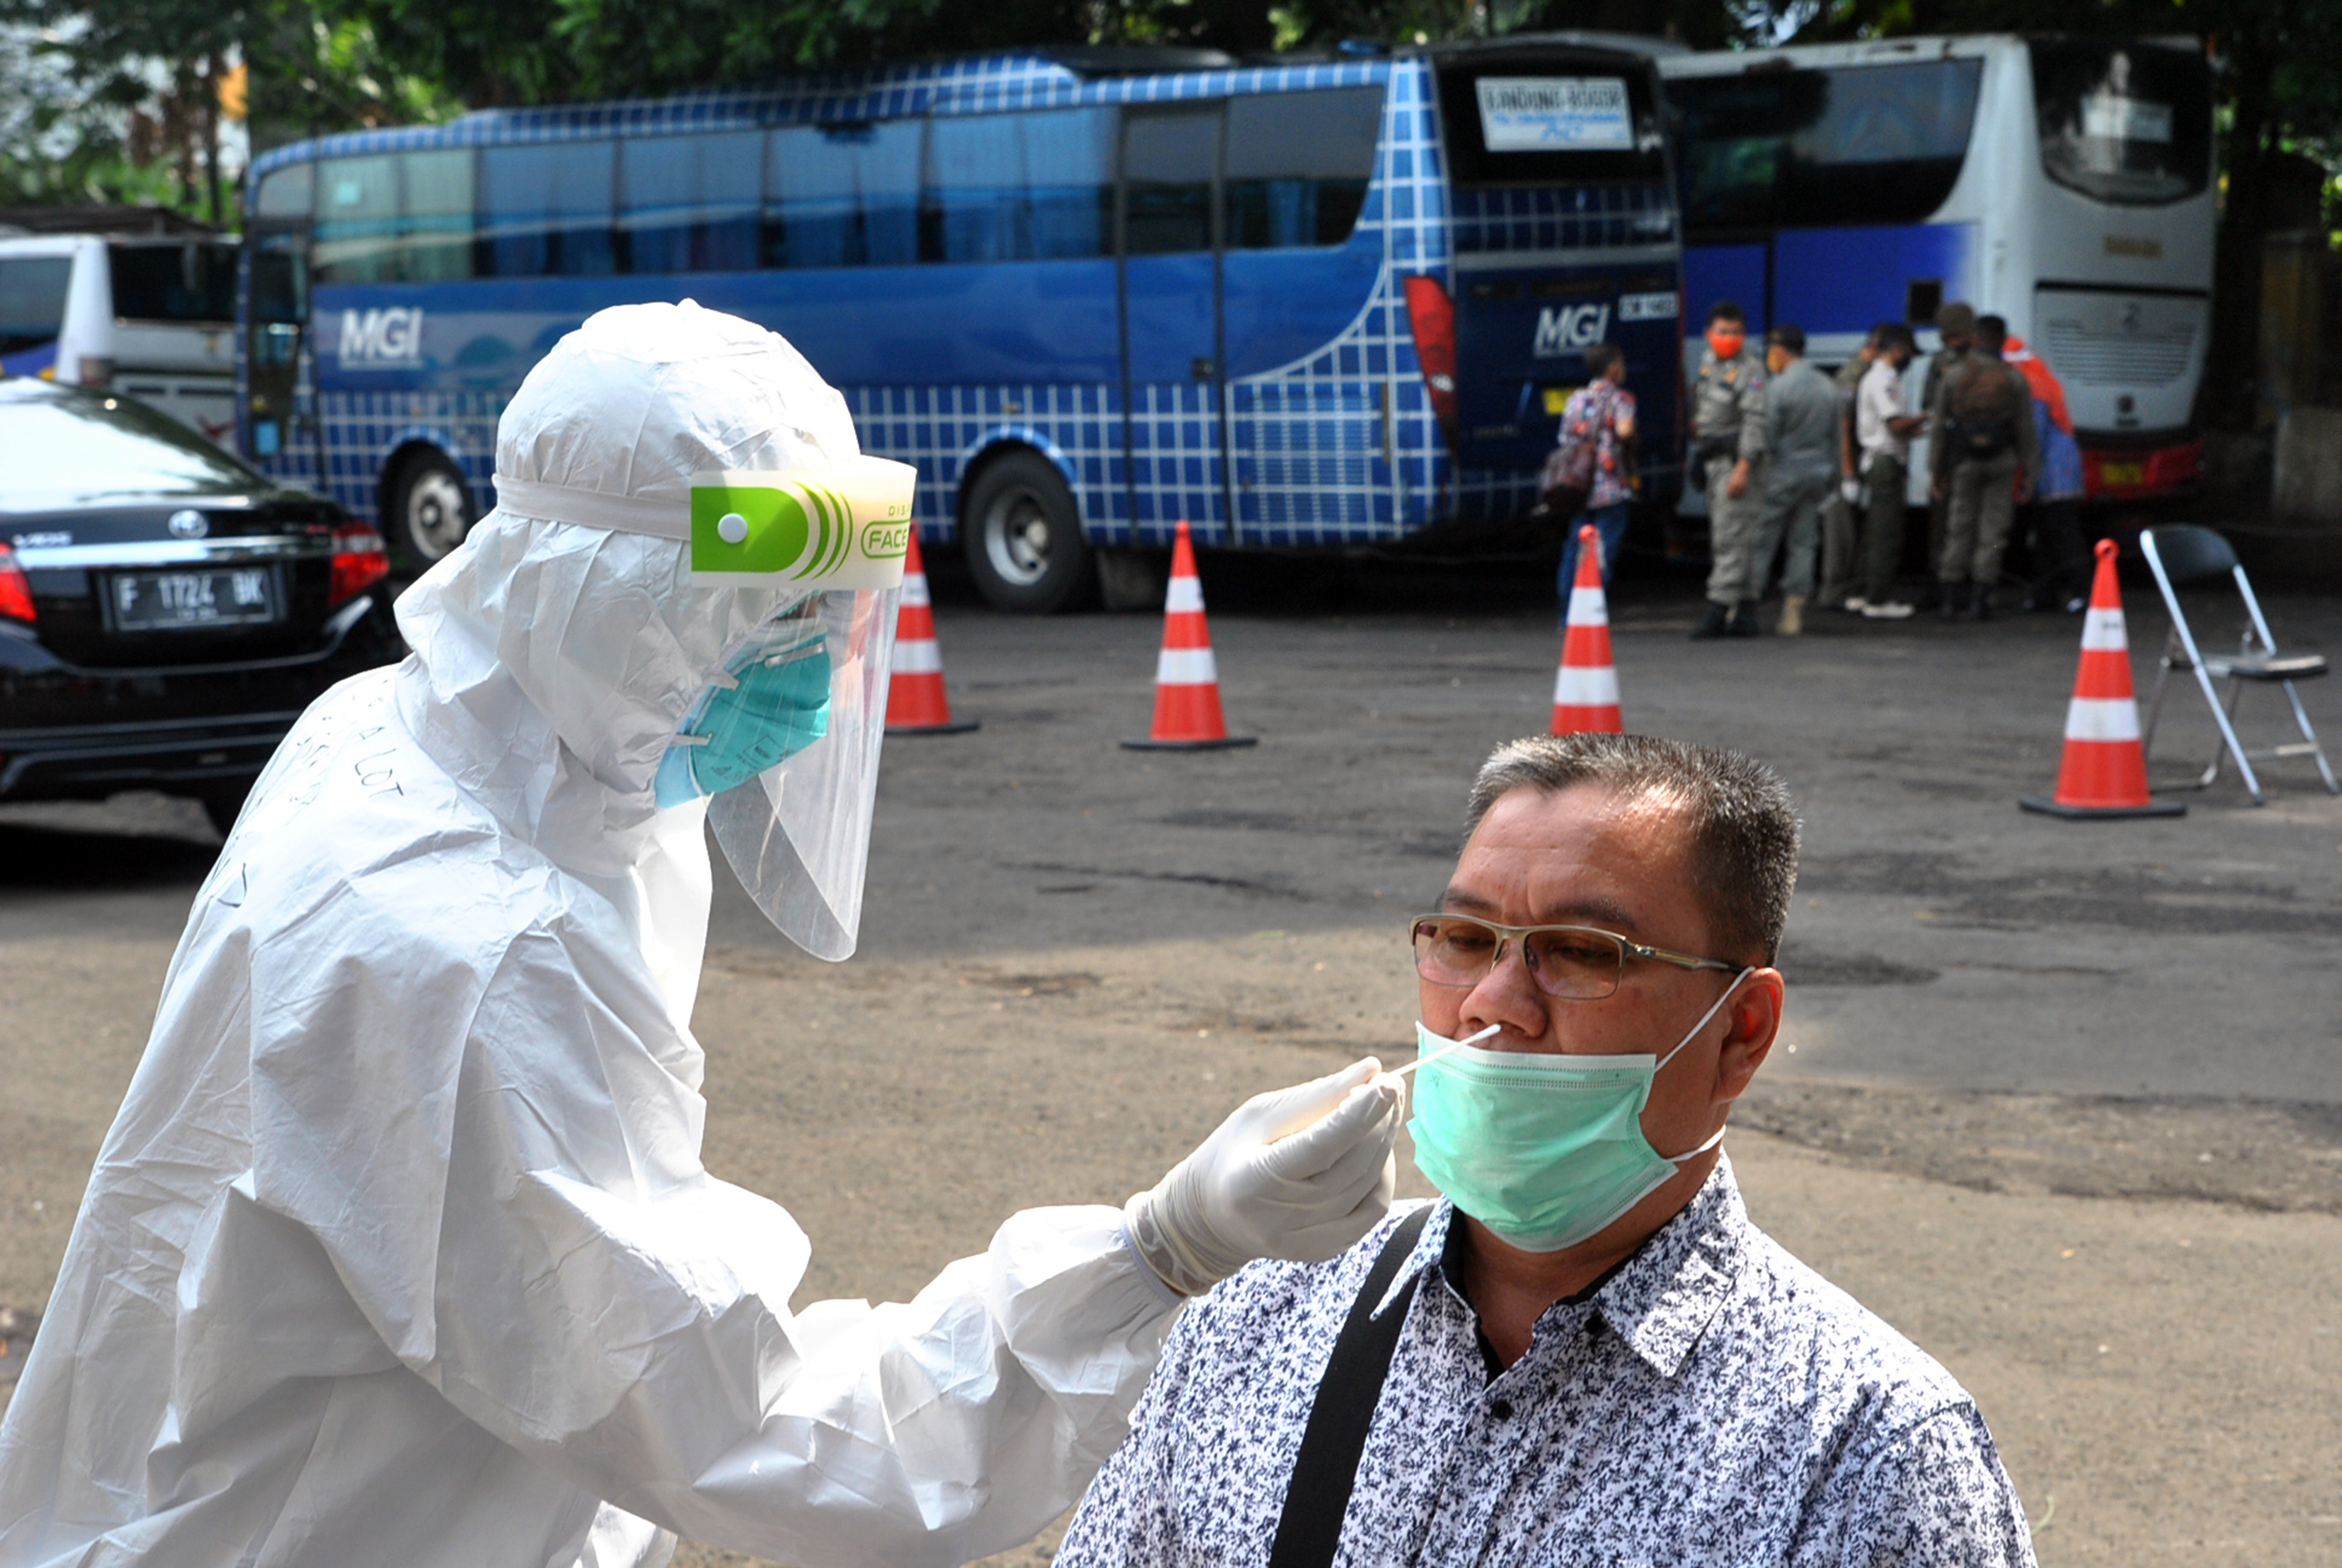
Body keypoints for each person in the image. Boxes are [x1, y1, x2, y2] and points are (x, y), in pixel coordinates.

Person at [0, 303, 1406, 1568]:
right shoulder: (467, 953)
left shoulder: (448, 734)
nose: (812, 661)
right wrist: (1158, 1249)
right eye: (760, 613)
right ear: (598, 601)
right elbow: (758, 1432)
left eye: (829, 609)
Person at [1054, 734, 2038, 1568]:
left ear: (1742, 1030)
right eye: (1467, 937)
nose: (1492, 1003)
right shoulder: (1259, 1311)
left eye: (1579, 953)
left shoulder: (1868, 1454)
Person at [1930, 313, 2040, 620]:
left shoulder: (1954, 376)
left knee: (1959, 527)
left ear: (1975, 338)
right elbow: (2026, 429)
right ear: (2003, 341)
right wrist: (2031, 472)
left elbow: (1940, 425)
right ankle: (1981, 597)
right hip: (2002, 460)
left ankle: (1950, 598)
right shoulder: (2014, 378)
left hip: (1964, 461)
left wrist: (1936, 470)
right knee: (1993, 531)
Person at [1742, 324, 1838, 635]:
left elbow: (1766, 437)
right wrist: (1834, 480)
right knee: (1804, 542)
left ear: (1780, 351)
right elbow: (1836, 439)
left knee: (1761, 541)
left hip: (1780, 475)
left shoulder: (1778, 388)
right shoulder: (1828, 386)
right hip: (1817, 475)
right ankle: (1793, 612)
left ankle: (1747, 606)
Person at [1689, 301, 1769, 640]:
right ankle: (1747, 612)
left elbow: (1756, 421)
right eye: (1723, 332)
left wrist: (1743, 468)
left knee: (1729, 537)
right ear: (1709, 335)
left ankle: (1718, 610)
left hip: (1737, 461)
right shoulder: (1709, 364)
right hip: (1714, 459)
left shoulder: (1750, 370)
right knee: (1740, 538)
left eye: (1736, 332)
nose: (1730, 339)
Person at [2003, 333, 2090, 613]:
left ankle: (2086, 592)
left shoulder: (2032, 387)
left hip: (2054, 474)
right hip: (2058, 471)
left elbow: (2034, 436)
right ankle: (2045, 594)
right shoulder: (2042, 380)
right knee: (2047, 535)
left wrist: (2024, 475)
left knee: (2063, 535)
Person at [1550, 341, 1638, 600]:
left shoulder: (1575, 399)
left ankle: (1568, 614)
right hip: (1610, 487)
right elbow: (1625, 431)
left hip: (1578, 484)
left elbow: (1564, 438)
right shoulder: (1621, 399)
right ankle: (1592, 609)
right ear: (1613, 367)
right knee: (1603, 549)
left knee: (1575, 548)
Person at [1852, 323, 1925, 620]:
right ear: (1897, 350)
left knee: (1873, 532)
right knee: (1886, 533)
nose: (1910, 359)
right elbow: (1895, 423)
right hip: (1885, 462)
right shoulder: (1883, 379)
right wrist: (1928, 416)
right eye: (1908, 352)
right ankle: (1877, 599)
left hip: (1881, 460)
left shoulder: (1882, 377)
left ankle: (1861, 593)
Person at [1915, 302, 1977, 612]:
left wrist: (1935, 465)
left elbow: (1931, 408)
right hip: (1986, 453)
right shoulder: (1991, 360)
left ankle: (1940, 584)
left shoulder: (1941, 363)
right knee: (1979, 524)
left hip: (1951, 453)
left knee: (1942, 523)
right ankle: (1974, 586)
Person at [1818, 326, 1882, 612]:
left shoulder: (1863, 372)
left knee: (1849, 532)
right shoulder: (1853, 375)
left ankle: (1843, 590)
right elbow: (1842, 425)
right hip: (1839, 466)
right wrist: (1847, 472)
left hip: (1850, 462)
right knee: (1840, 532)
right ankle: (1833, 593)